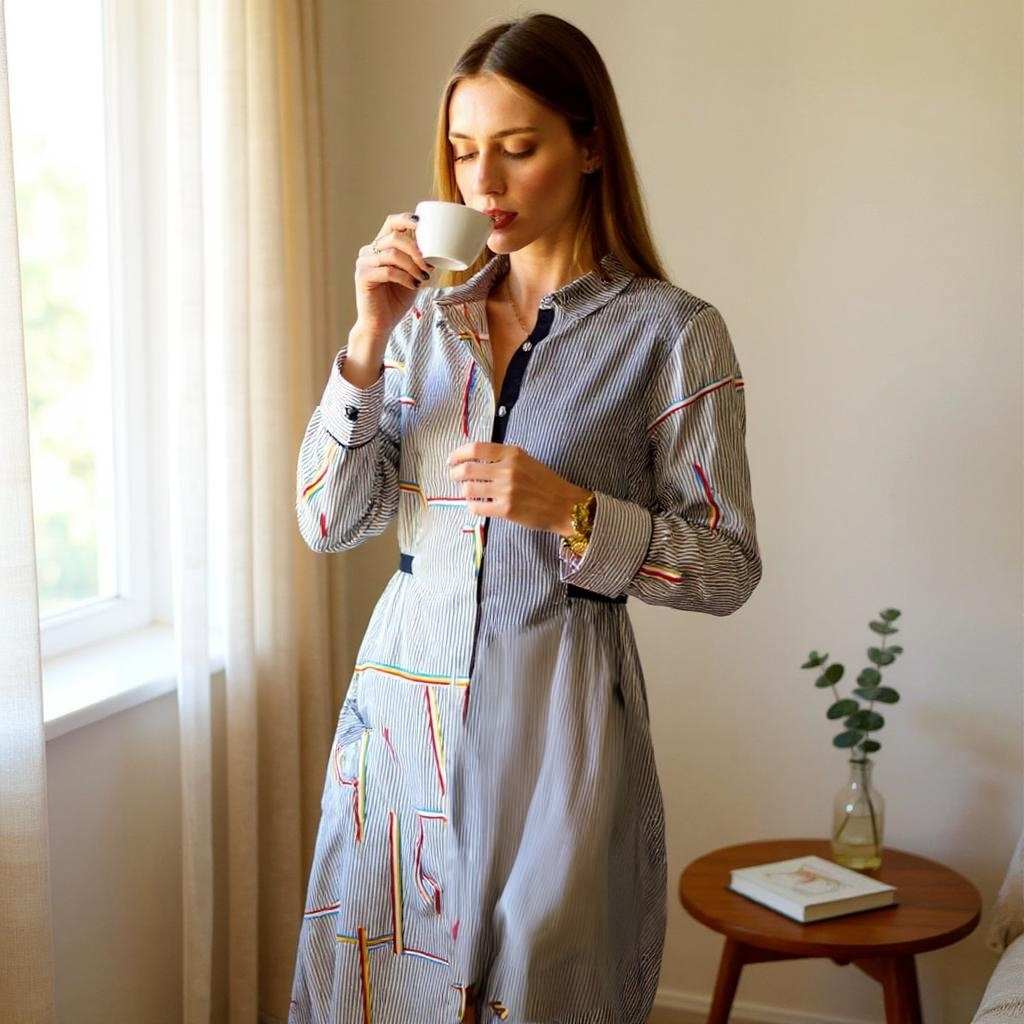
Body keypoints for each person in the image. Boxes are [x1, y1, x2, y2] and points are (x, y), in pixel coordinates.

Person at [290, 12, 761, 1024]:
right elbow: (329, 523)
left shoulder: (671, 335)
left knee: (548, 985)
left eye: (518, 149)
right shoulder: (419, 324)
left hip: (561, 720)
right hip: (401, 717)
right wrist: (365, 341)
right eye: (464, 155)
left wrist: (577, 513)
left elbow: (726, 566)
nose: (484, 187)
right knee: (380, 983)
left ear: (589, 147)